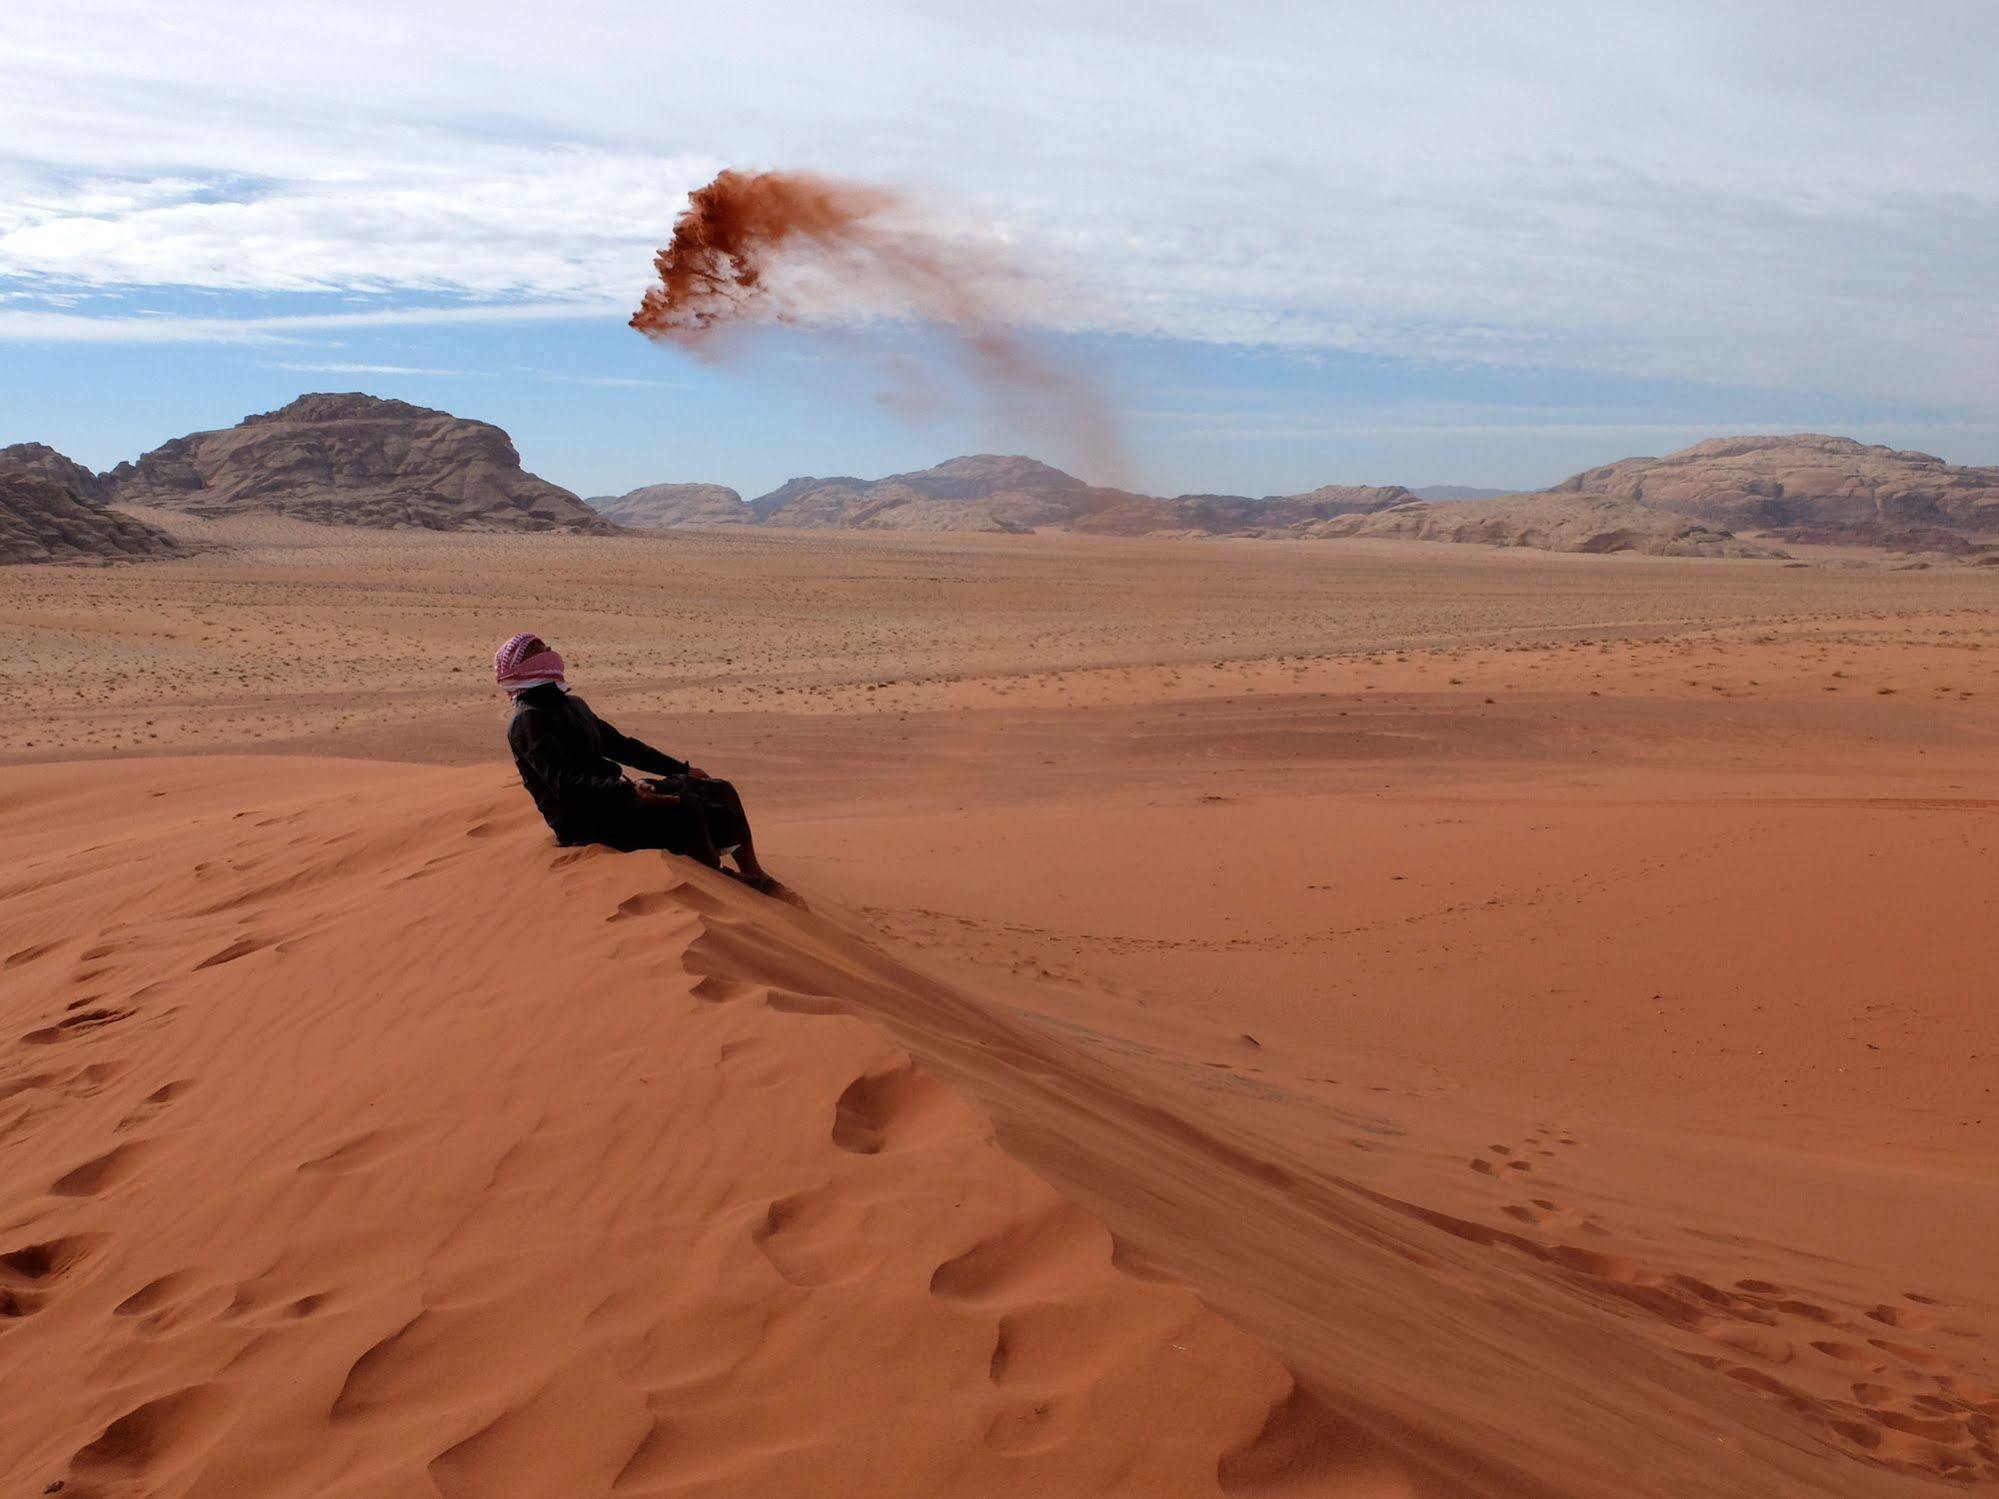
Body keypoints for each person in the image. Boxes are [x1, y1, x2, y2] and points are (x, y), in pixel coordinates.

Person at [495, 631, 785, 895]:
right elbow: (565, 784)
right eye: (537, 651)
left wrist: (680, 769)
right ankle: (720, 882)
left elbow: (623, 746)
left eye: (545, 645)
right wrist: (627, 791)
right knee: (686, 808)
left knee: (719, 789)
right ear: (518, 669)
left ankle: (753, 871)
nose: (548, 650)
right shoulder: (527, 721)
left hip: (618, 798)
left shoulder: (573, 705)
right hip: (584, 821)